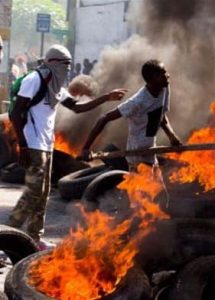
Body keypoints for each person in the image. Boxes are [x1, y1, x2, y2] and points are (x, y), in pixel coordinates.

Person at [7, 44, 127, 250]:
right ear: (54, 63)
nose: (68, 69)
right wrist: (24, 146)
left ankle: (35, 237)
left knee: (43, 194)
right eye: (65, 64)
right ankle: (6, 239)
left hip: (46, 145)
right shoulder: (33, 80)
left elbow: (77, 107)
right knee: (33, 193)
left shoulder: (55, 86)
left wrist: (106, 97)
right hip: (32, 145)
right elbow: (17, 112)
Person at [80, 59, 181, 205]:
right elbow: (104, 118)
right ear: (152, 78)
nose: (168, 75)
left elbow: (161, 116)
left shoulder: (164, 88)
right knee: (143, 202)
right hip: (137, 155)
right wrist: (86, 148)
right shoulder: (138, 101)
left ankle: (139, 221)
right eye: (163, 73)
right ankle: (132, 224)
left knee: (161, 198)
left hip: (150, 152)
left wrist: (172, 136)